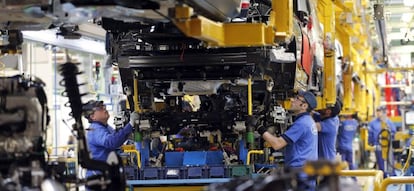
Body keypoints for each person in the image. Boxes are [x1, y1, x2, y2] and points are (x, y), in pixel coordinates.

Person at [254, 90, 318, 190]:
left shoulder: (302, 124)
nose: (292, 100)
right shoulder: (309, 121)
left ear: (304, 106)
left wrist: (259, 127)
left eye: (297, 99)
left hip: (299, 175)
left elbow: (277, 144)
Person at [82, 100, 139, 178]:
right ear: (92, 117)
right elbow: (112, 142)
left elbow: (117, 138)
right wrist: (130, 124)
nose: (104, 109)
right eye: (100, 108)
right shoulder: (95, 129)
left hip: (106, 175)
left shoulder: (105, 127)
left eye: (104, 106)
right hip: (98, 179)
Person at [368, 106, 396, 177]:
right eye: (377, 111)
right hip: (378, 145)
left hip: (388, 145)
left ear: (383, 112)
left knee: (390, 161)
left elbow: (393, 132)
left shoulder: (388, 122)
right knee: (380, 162)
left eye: (379, 111)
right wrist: (371, 142)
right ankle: (383, 176)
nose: (378, 113)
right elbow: (370, 134)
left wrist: (390, 138)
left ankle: (393, 176)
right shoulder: (372, 123)